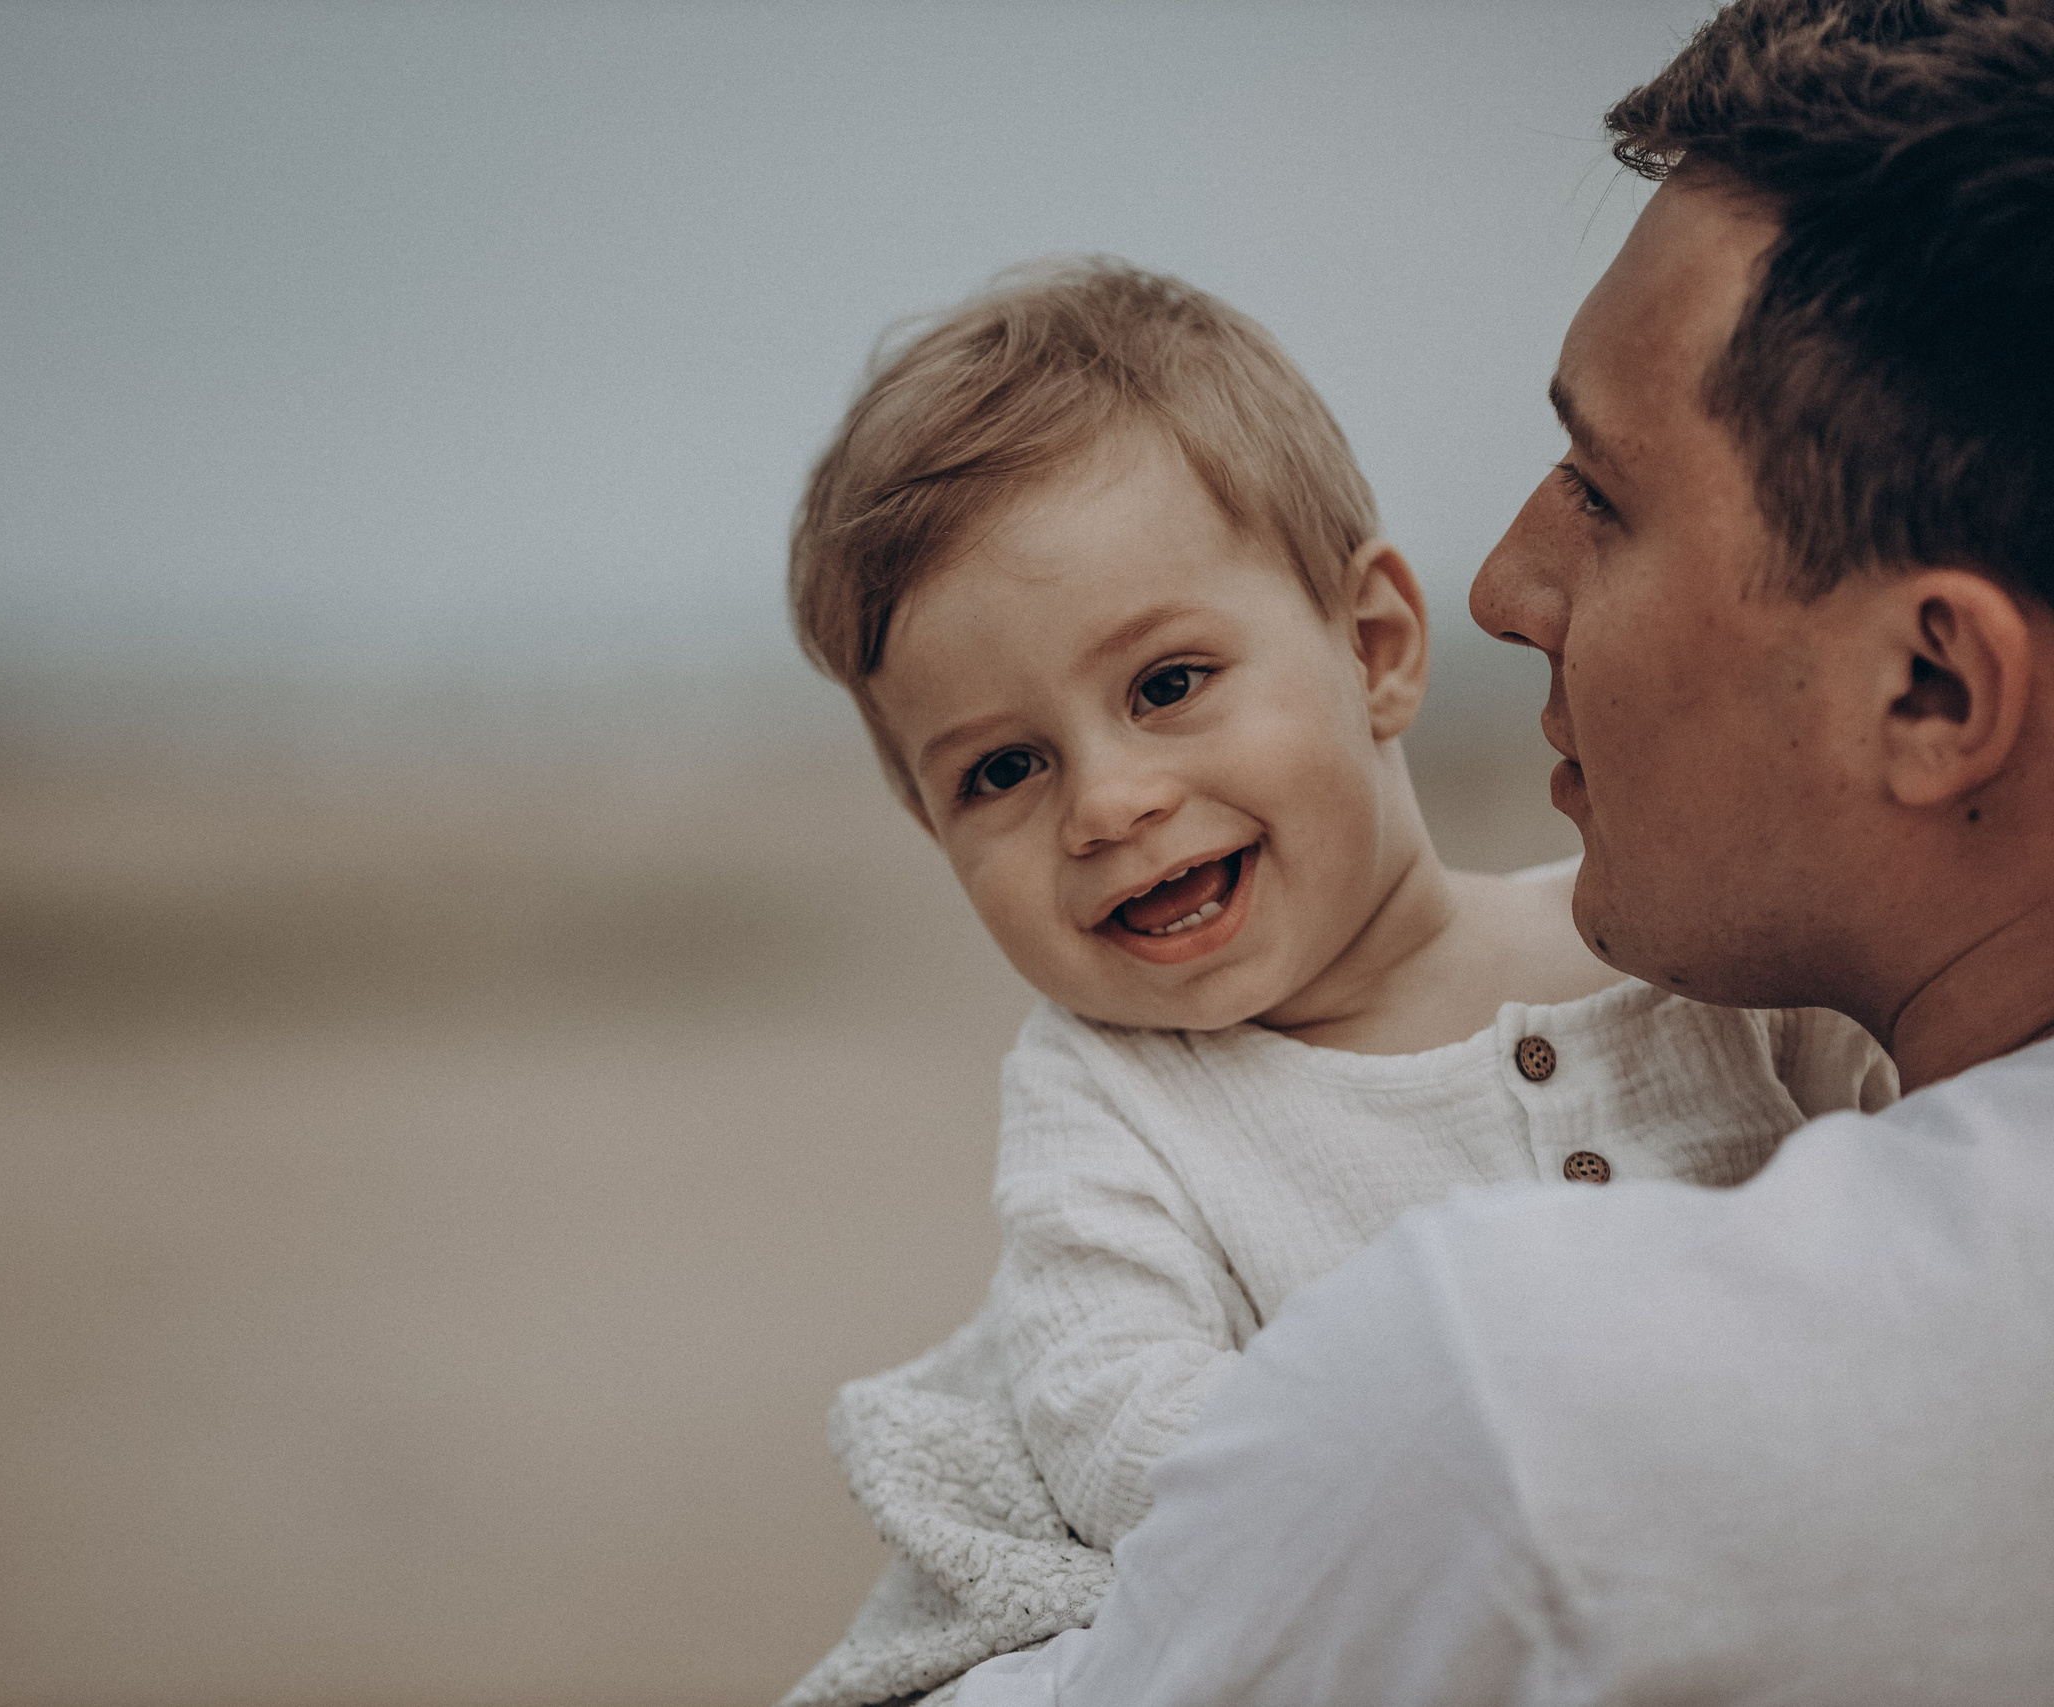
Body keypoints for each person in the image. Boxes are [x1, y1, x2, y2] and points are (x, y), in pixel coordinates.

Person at [949, 1, 2054, 1701]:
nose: (1501, 588)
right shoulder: (1110, 1118)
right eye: (998, 770)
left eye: (1602, 494)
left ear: (1933, 687)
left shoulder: (1504, 1427)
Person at [777, 261, 1890, 1707]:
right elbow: (1121, 1434)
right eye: (1001, 770)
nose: (1106, 804)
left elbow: (1935, 1233)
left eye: (1167, 684)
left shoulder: (1698, 961)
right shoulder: (1108, 1097)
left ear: (1375, 650)